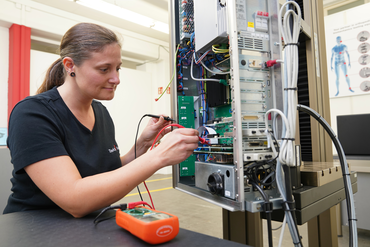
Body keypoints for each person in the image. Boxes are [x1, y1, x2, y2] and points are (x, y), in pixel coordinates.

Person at [3, 23, 199, 217]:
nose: (116, 79)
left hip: (87, 226)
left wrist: (143, 144)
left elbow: (109, 172)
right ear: (70, 66)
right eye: (104, 69)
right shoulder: (32, 114)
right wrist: (159, 156)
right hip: (33, 230)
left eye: (118, 68)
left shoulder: (100, 112)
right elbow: (74, 200)